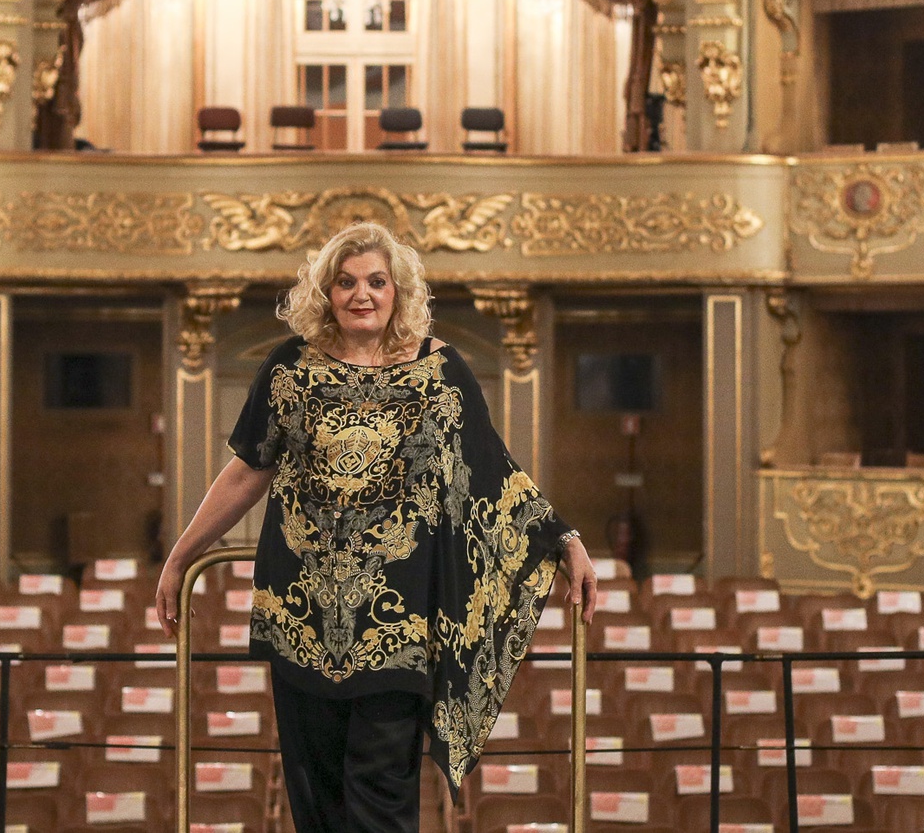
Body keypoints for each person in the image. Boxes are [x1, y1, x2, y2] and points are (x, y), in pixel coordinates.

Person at [155, 221, 597, 833]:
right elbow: (247, 471)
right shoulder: (289, 368)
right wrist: (180, 556)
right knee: (317, 795)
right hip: (301, 615)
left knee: (383, 792)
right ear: (326, 293)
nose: (361, 294)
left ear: (399, 292)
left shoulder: (441, 371)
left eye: (376, 282)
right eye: (345, 282)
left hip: (399, 623)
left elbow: (493, 471)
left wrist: (565, 539)